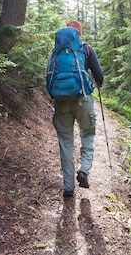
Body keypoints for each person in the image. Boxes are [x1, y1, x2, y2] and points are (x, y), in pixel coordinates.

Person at [51, 20, 104, 198]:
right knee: (87, 134)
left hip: (60, 101)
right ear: (79, 34)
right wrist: (96, 85)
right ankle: (84, 170)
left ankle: (68, 187)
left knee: (65, 143)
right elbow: (99, 75)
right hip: (82, 98)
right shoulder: (86, 49)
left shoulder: (55, 51)